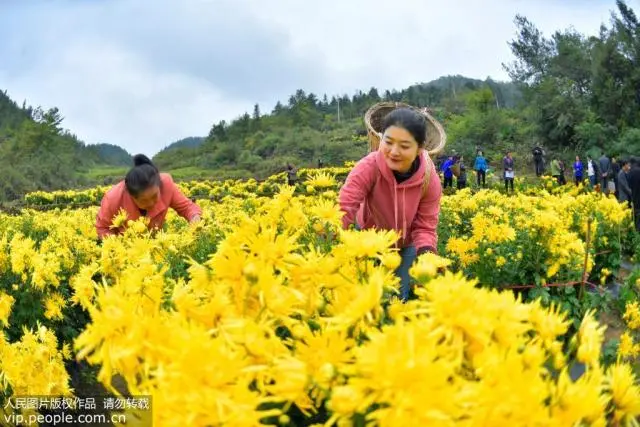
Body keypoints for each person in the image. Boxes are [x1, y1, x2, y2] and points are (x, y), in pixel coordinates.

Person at [339, 107, 442, 302]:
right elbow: (346, 205)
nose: (394, 152)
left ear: (419, 149)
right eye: (388, 142)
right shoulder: (369, 167)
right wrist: (328, 236)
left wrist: (427, 255)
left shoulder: (429, 179)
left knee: (397, 297)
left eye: (404, 146)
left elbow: (426, 225)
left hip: (406, 244)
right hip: (369, 241)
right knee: (368, 296)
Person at [96, 154, 202, 239]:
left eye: (155, 196)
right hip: (127, 250)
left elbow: (187, 208)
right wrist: (119, 246)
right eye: (144, 201)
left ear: (159, 186)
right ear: (131, 196)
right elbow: (102, 228)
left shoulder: (166, 184)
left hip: (156, 243)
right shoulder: (113, 199)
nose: (151, 203)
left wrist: (195, 219)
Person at [627, 157, 640, 231]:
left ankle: (635, 228)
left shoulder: (631, 171)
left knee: (635, 211)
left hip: (634, 194)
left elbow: (629, 184)